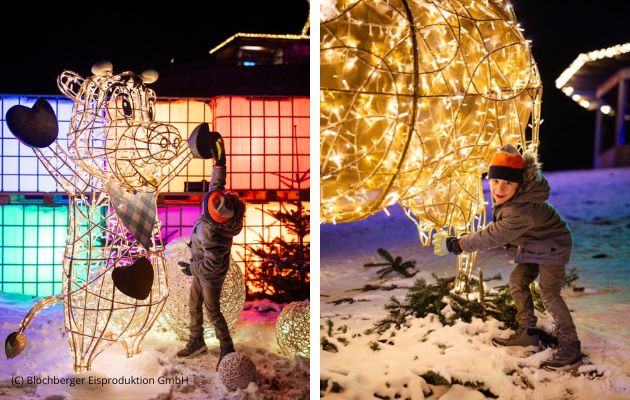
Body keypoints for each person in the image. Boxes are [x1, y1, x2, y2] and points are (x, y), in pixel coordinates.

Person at [435, 144, 581, 370]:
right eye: (494, 181)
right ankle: (528, 332)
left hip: (553, 245)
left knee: (549, 292)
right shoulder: (515, 198)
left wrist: (462, 243)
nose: (499, 188)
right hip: (535, 243)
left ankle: (571, 345)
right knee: (517, 281)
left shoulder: (521, 209)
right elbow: (504, 227)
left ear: (519, 184)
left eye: (508, 183)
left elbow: (495, 233)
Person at [176, 130, 245, 370]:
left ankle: (227, 348)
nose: (203, 206)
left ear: (216, 220)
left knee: (212, 311)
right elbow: (217, 184)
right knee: (193, 304)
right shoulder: (217, 204)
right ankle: (196, 340)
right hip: (199, 270)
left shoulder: (214, 234)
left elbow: (211, 265)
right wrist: (220, 162)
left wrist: (190, 269)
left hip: (210, 276)